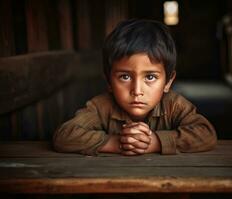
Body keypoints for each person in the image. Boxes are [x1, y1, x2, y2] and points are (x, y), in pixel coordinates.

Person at [53, 19, 217, 156]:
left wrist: (155, 142)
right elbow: (64, 136)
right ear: (109, 81)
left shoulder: (174, 105)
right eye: (125, 77)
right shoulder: (100, 106)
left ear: (168, 82)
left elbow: (206, 134)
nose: (137, 91)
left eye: (150, 77)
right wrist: (115, 143)